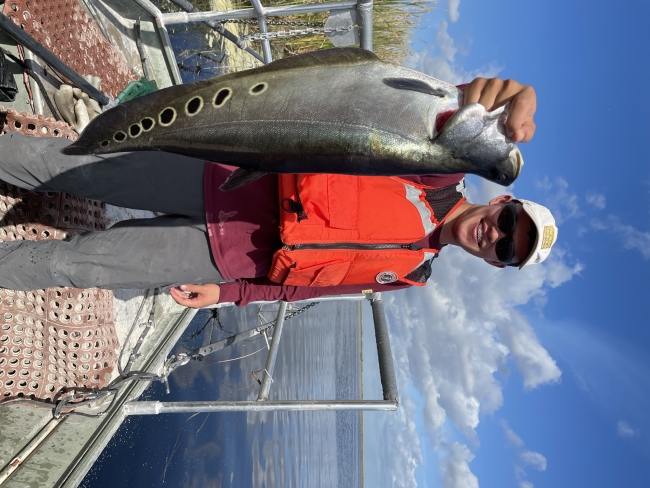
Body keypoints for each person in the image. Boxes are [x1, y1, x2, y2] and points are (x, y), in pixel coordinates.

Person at [0, 77, 556, 307]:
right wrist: (487, 104)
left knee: (75, 265)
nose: (497, 236)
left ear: (495, 263)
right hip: (215, 173)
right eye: (511, 223)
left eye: (508, 250)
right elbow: (426, 119)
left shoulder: (411, 274)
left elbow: (295, 290)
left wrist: (228, 295)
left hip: (216, 257)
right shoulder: (435, 174)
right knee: (63, 168)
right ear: (502, 201)